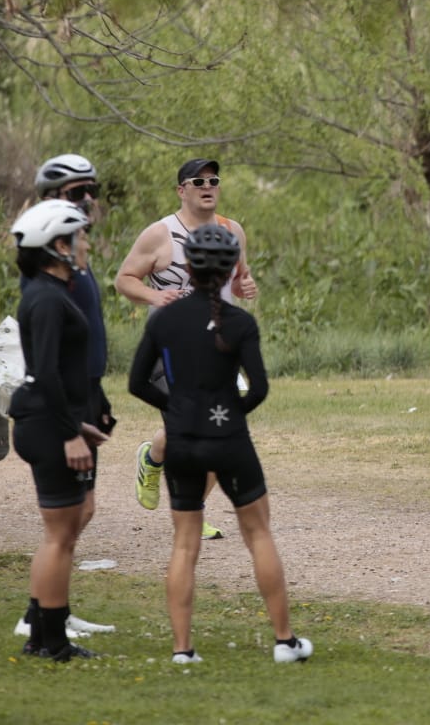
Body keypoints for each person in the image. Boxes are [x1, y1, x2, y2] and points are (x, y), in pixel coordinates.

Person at [127, 223, 311, 665]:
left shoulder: (164, 318)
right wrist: (229, 415)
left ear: (187, 266)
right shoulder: (240, 322)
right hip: (229, 440)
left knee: (185, 543)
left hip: (183, 442)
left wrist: (175, 414)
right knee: (259, 534)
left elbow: (137, 383)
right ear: (232, 271)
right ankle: (284, 642)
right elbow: (260, 389)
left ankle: (182, 650)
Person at [115, 157, 258, 540]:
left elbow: (240, 276)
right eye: (199, 181)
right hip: (171, 347)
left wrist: (245, 287)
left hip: (218, 345)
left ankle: (195, 511)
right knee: (190, 426)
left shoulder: (232, 230)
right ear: (182, 190)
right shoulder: (159, 234)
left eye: (214, 180)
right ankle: (153, 457)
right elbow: (124, 279)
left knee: (218, 427)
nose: (208, 185)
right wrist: (155, 296)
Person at [13, 154, 118, 645]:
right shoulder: (49, 290)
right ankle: (42, 625)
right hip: (57, 414)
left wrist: (94, 399)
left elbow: (75, 354)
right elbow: (47, 368)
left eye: (89, 191)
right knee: (61, 528)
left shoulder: (69, 274)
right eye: (77, 194)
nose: (88, 204)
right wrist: (72, 428)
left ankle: (52, 617)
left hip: (79, 399)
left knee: (78, 515)